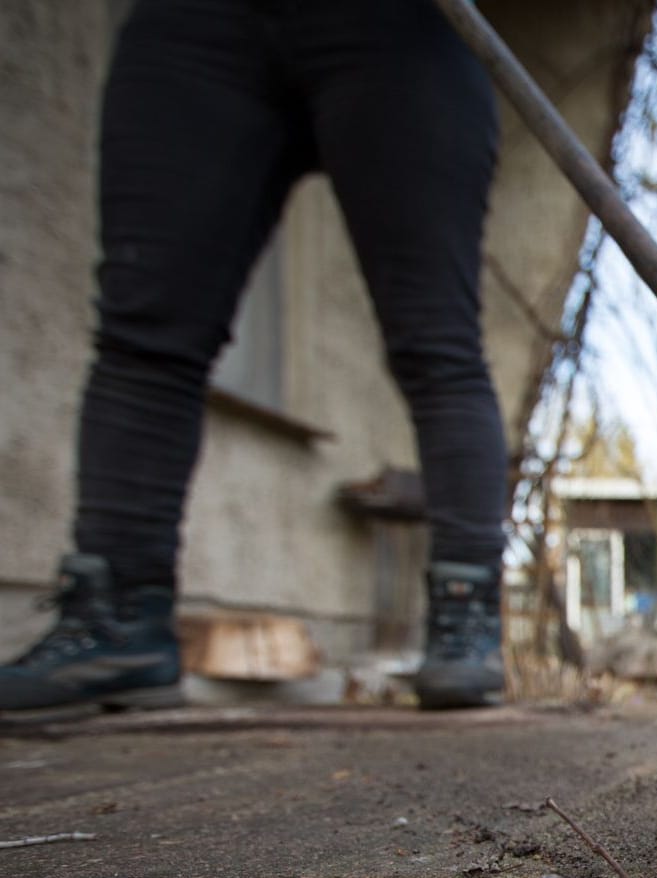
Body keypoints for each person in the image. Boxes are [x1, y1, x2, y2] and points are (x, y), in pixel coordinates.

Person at [0, 0, 508, 719]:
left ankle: (467, 615)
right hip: (194, 23)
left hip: (402, 27)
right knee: (146, 333)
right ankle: (115, 621)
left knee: (438, 342)